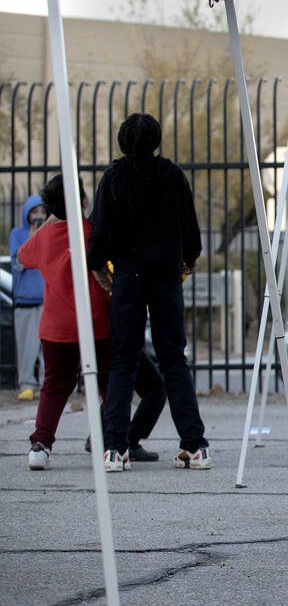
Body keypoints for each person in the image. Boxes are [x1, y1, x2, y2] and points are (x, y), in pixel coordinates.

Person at [88, 113, 209, 472]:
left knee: (123, 360)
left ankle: (114, 448)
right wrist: (188, 258)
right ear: (156, 141)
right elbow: (190, 227)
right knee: (174, 358)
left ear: (122, 142)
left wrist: (99, 268)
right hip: (165, 276)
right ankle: (194, 444)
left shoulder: (113, 178)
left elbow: (99, 232)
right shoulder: (172, 176)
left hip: (127, 276)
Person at [19, 176, 112, 470]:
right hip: (95, 321)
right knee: (109, 382)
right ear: (83, 202)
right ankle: (110, 440)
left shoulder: (44, 239)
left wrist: (50, 221)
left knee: (55, 385)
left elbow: (24, 256)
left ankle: (41, 443)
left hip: (55, 326)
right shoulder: (92, 232)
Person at [10, 194, 47, 401]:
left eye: (42, 212)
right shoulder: (17, 234)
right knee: (26, 345)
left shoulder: (48, 233)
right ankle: (26, 384)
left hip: (46, 298)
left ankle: (46, 384)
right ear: (27, 214)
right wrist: (31, 238)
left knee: (47, 346)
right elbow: (19, 263)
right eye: (35, 212)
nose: (39, 216)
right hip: (25, 300)